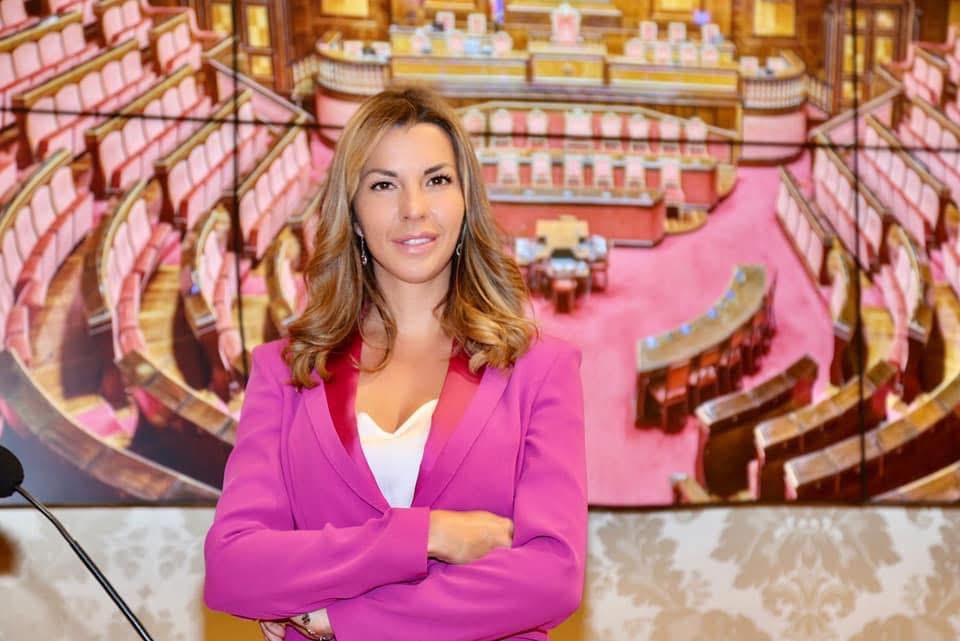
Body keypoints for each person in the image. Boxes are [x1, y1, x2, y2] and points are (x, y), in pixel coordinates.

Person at [203, 87, 587, 641]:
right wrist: (426, 535)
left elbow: (552, 579)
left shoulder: (541, 369)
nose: (414, 208)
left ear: (465, 201)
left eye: (437, 180)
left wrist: (340, 619)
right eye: (384, 185)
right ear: (354, 214)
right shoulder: (284, 371)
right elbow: (233, 570)